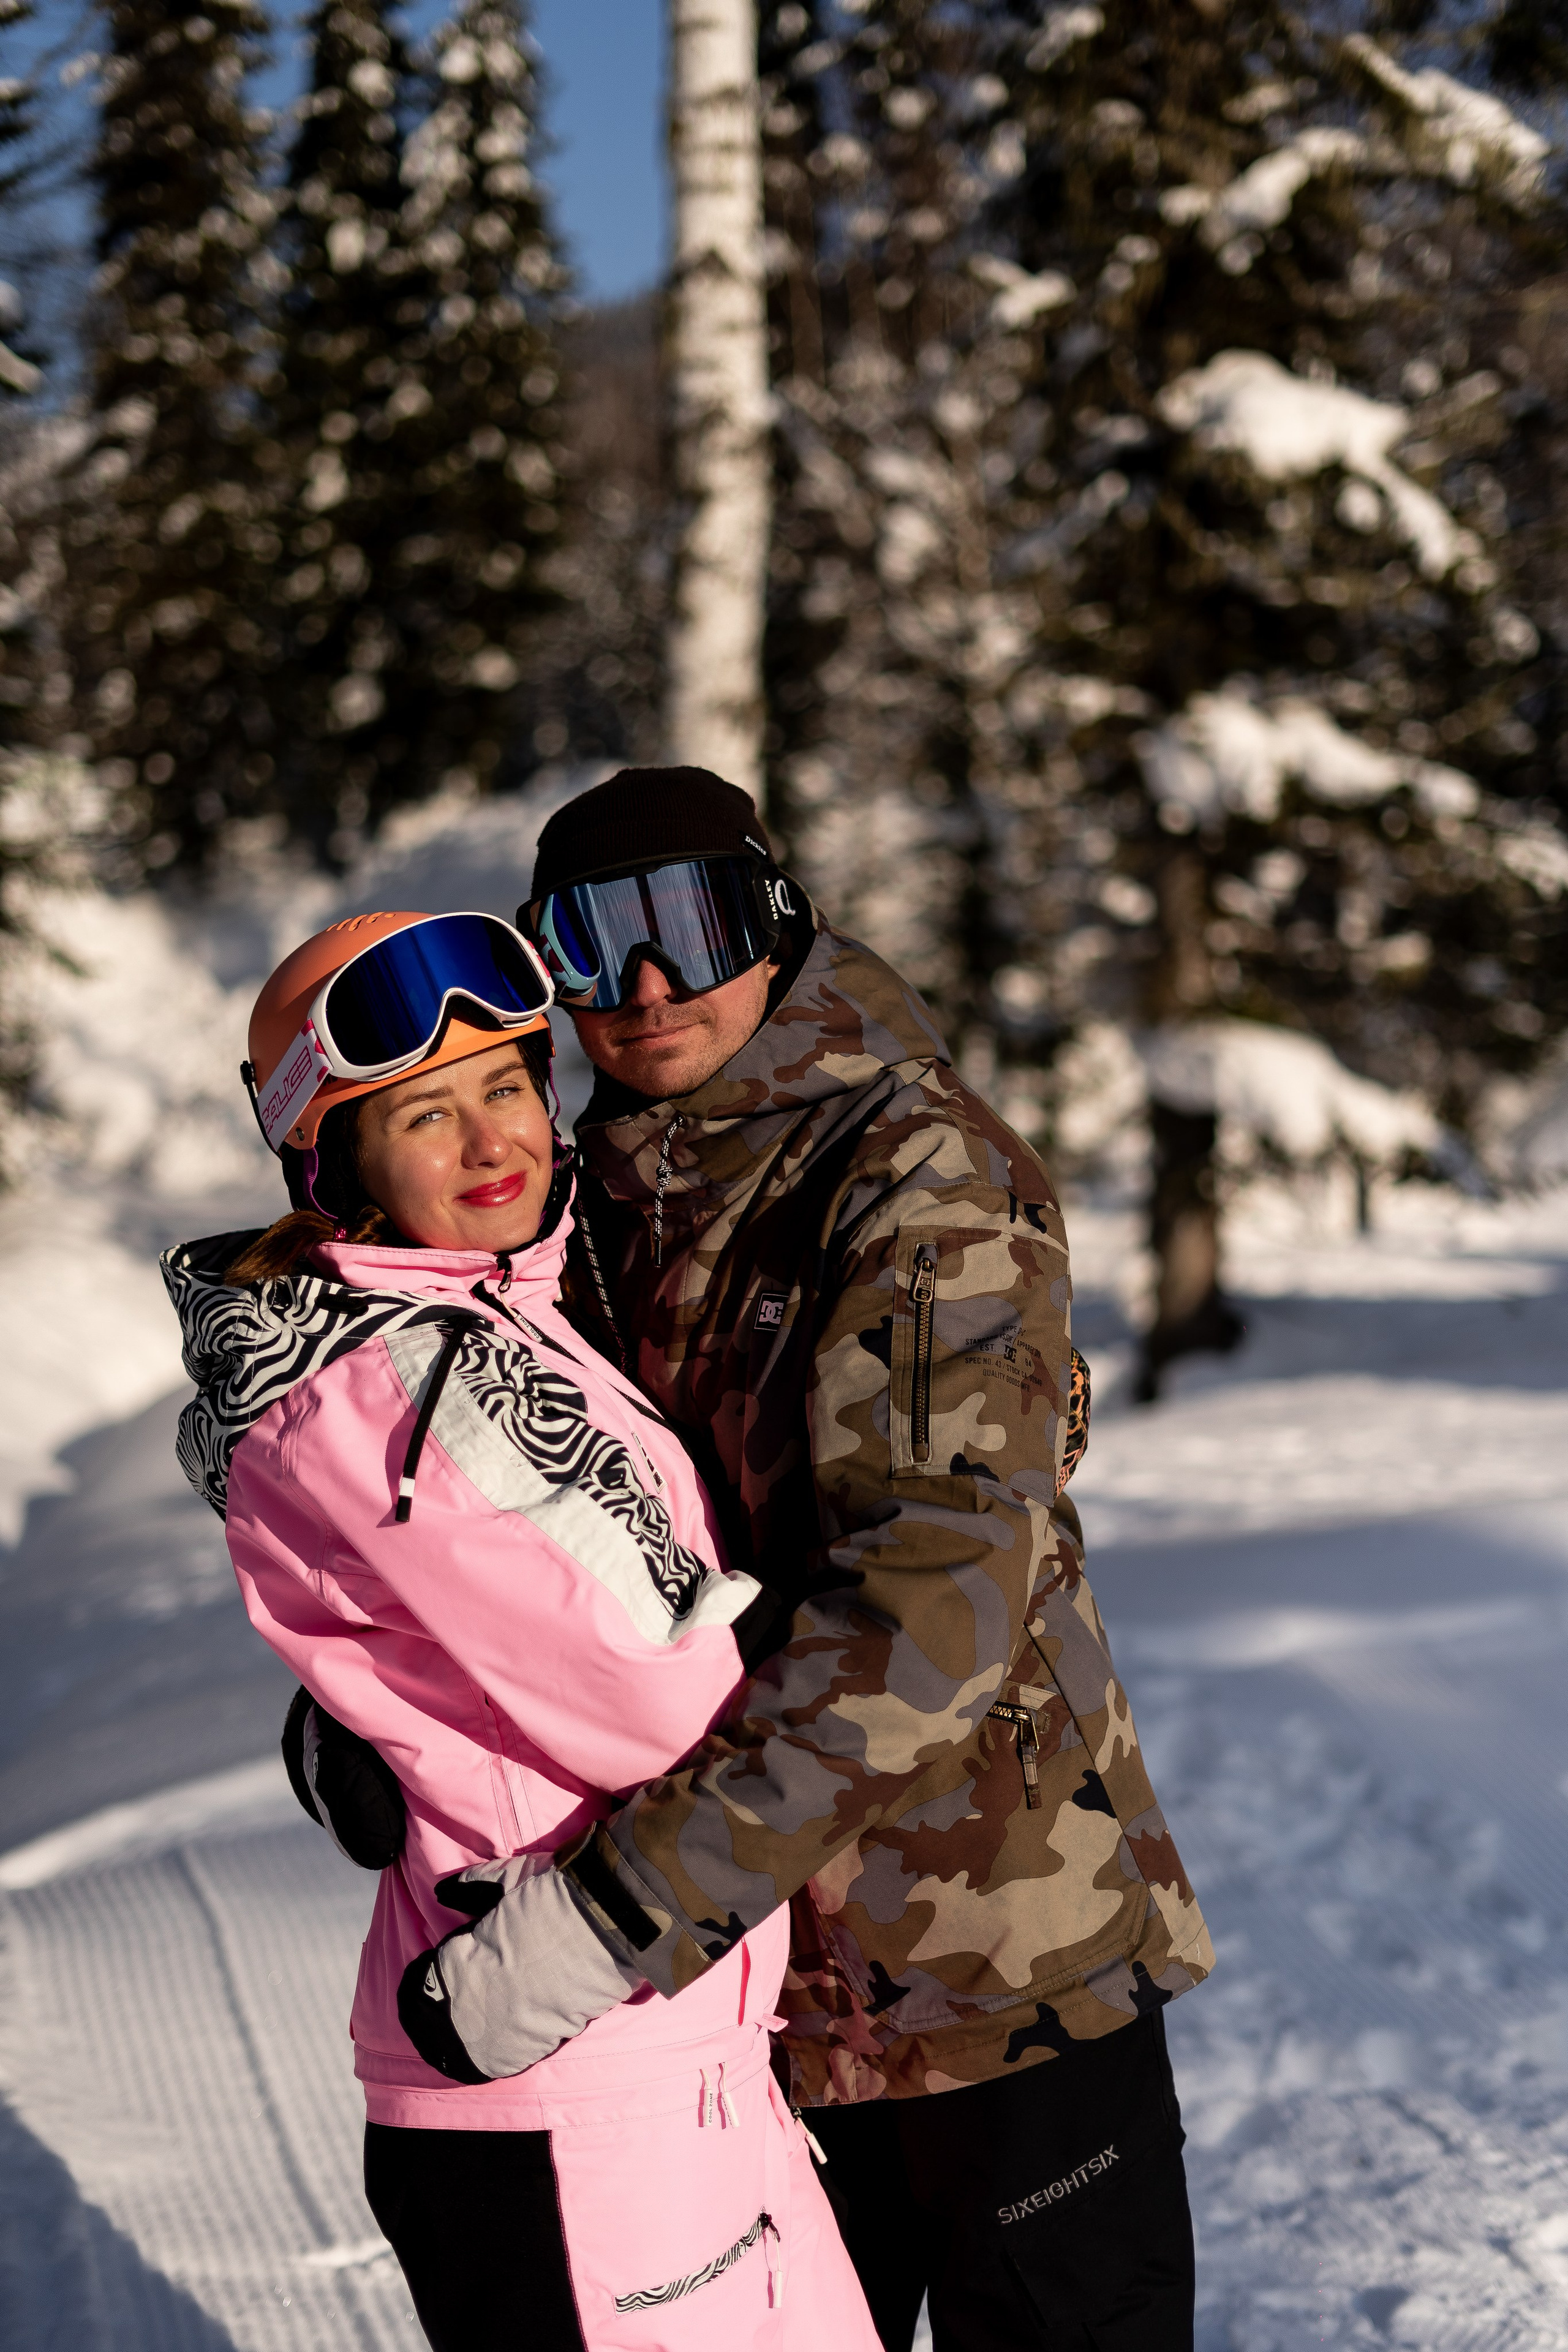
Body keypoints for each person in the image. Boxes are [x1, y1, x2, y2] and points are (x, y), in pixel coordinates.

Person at [306, 774, 1215, 2351]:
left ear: (775, 920)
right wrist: (380, 1706)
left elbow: (928, 1603)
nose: (647, 985)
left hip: (993, 1963)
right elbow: (537, 1552)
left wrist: (616, 1912)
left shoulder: (916, 1176)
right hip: (752, 2005)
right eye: (595, 942)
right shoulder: (587, 1201)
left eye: (690, 923)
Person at [162, 908, 879, 2352]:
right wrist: (888, 1631)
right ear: (336, 1160)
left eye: (507, 1083)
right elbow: (673, 1692)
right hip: (574, 2092)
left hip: (657, 2059)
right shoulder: (403, 1388)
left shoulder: (494, 1317)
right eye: (424, 1113)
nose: (496, 1139)